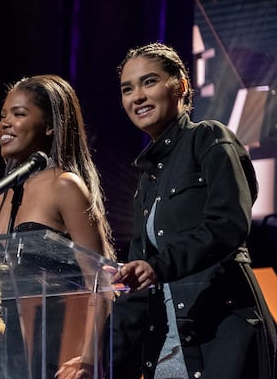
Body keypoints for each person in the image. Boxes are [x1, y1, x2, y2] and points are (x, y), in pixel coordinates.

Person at [110, 42, 277, 379]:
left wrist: (158, 266)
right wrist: (94, 358)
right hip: (167, 352)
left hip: (222, 341)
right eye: (128, 89)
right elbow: (137, 290)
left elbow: (228, 225)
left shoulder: (210, 138)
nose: (137, 96)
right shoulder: (147, 180)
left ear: (181, 85)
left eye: (149, 82)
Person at [0, 74, 117, 379]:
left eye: (19, 114)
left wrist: (87, 359)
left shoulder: (64, 185)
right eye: (2, 116)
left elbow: (101, 281)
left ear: (50, 126)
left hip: (62, 356)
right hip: (10, 357)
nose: (4, 124)